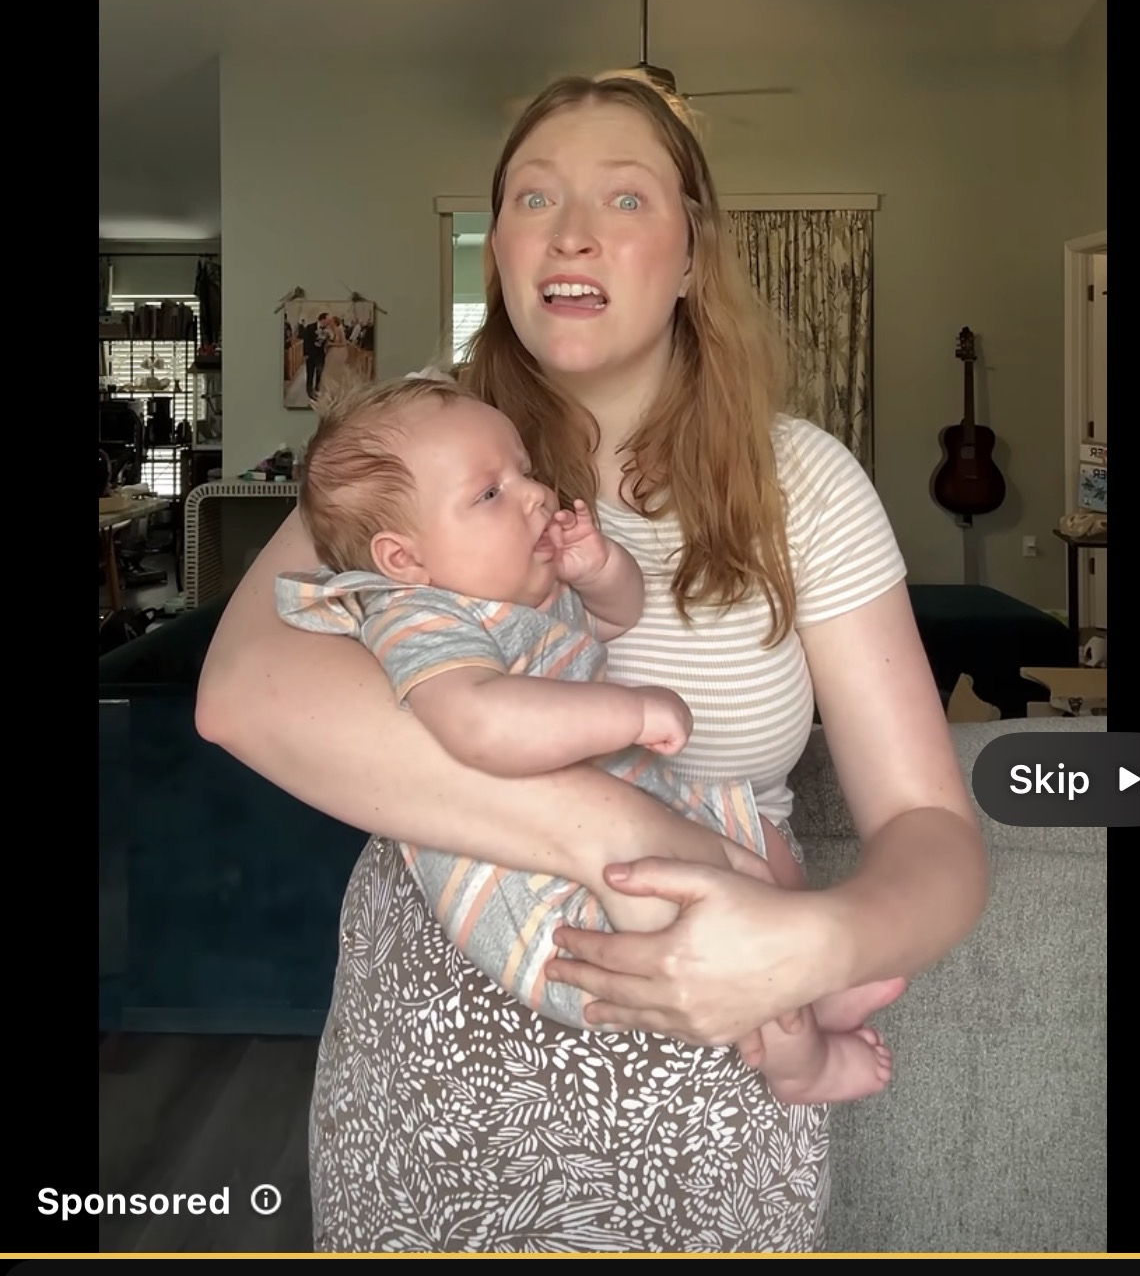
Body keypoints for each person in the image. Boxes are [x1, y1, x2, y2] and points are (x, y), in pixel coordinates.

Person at [196, 72, 988, 1253]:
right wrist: (619, 832)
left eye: (624, 197)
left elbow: (934, 832)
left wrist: (815, 945)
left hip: (717, 1074)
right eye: (533, 196)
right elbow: (240, 694)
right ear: (499, 250)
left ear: (691, 255)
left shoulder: (805, 483)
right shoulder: (410, 451)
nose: (570, 230)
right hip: (434, 1079)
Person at [274, 373, 895, 1103]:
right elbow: (480, 724)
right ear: (402, 560)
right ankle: (798, 1062)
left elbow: (616, 616)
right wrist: (628, 714)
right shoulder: (419, 617)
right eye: (490, 493)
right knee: (726, 917)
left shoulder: (520, 599)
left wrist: (598, 571)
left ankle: (813, 987)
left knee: (764, 844)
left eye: (524, 471)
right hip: (544, 890)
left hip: (620, 825)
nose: (535, 495)